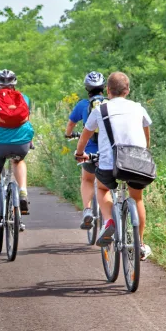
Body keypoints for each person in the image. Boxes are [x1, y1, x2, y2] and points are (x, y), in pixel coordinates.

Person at [74, 72, 153, 260]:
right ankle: (139, 243)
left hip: (109, 164)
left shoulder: (99, 110)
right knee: (138, 199)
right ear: (128, 90)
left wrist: (79, 154)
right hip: (137, 162)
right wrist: (145, 152)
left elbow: (85, 136)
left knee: (101, 188)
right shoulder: (138, 108)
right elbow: (146, 134)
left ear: (108, 90)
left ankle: (109, 220)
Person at [0, 69, 34, 240]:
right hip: (22, 144)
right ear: (14, 84)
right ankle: (23, 191)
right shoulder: (24, 98)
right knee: (18, 162)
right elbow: (26, 121)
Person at [65, 71, 106, 229]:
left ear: (87, 88)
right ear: (103, 87)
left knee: (87, 179)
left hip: (89, 151)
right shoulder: (110, 103)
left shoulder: (82, 105)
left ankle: (88, 209)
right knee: (106, 186)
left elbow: (70, 124)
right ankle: (110, 216)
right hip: (107, 151)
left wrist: (69, 135)